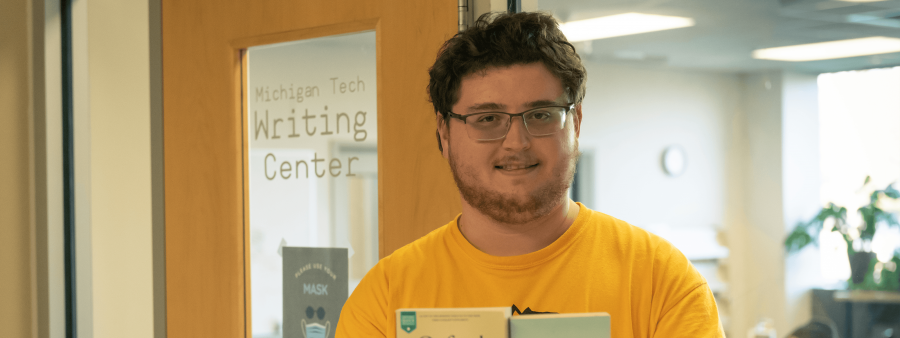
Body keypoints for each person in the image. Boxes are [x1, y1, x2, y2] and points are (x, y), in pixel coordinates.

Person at [337, 11, 724, 337]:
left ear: (575, 125)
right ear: (444, 132)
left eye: (540, 114)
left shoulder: (661, 281)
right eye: (487, 119)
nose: (516, 142)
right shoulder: (386, 298)